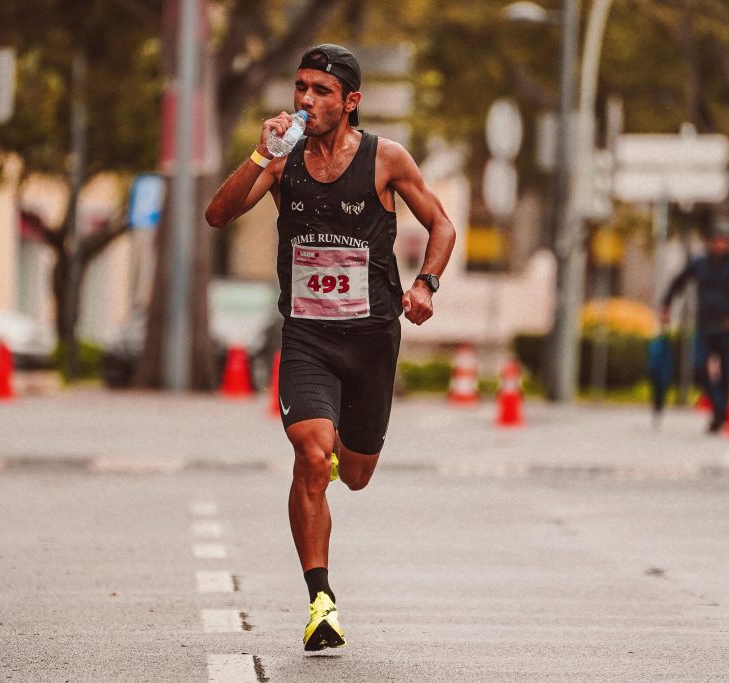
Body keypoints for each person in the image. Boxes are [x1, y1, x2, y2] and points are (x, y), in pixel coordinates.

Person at [205, 44, 455, 651]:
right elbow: (217, 214)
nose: (306, 101)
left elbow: (442, 225)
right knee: (311, 455)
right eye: (300, 88)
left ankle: (339, 453)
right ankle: (321, 601)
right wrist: (262, 152)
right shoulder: (281, 157)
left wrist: (425, 284)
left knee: (357, 473)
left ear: (351, 102)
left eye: (320, 91)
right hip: (309, 335)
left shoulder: (384, 159)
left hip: (372, 340)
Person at [661, 221, 729, 433]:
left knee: (725, 373)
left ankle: (718, 415)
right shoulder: (700, 263)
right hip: (704, 325)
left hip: (727, 327)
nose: (720, 245)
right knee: (699, 366)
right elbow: (679, 282)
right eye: (717, 241)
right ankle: (720, 407)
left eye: (724, 241)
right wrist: (666, 304)